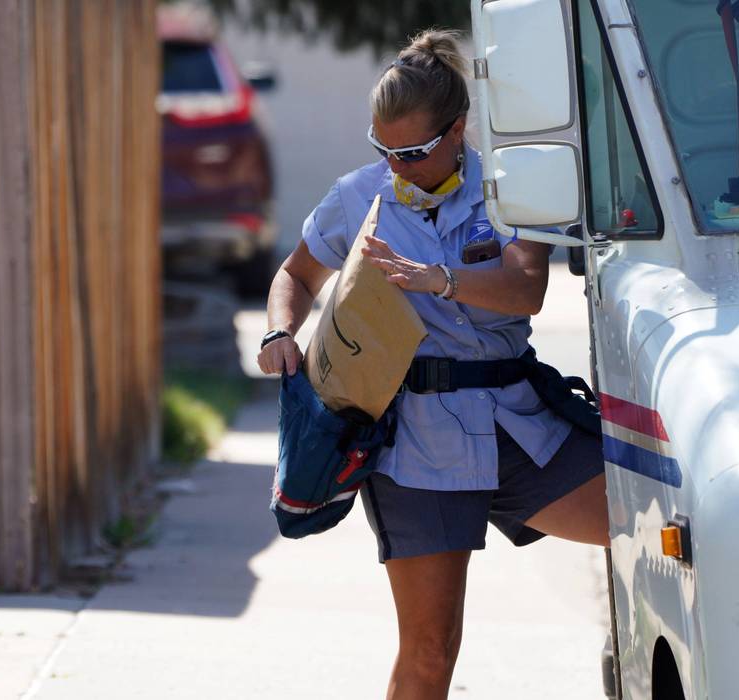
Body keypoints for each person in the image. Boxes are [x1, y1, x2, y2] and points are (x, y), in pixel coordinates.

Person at [255, 29, 610, 700]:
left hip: (518, 427)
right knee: (428, 653)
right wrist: (279, 332)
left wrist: (436, 279)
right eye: (382, 149)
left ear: (457, 130)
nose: (397, 165)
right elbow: (294, 277)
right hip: (415, 447)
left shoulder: (509, 190)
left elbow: (524, 288)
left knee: (660, 531)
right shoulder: (358, 195)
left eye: (412, 152)